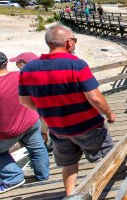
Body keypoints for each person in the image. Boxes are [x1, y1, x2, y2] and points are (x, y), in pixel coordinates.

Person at [18, 25, 116, 196]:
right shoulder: (76, 64)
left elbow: (24, 101)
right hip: (88, 126)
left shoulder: (28, 69)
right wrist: (109, 113)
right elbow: (94, 97)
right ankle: (112, 187)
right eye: (75, 41)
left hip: (58, 129)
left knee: (69, 164)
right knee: (106, 156)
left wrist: (47, 111)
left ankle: (70, 195)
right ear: (69, 43)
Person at [0, 52, 49, 194]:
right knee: (38, 147)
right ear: (5, 63)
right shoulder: (20, 76)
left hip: (8, 130)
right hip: (30, 122)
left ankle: (13, 177)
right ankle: (44, 177)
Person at [9, 53, 50, 145]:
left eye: (18, 63)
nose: (16, 66)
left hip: (38, 123)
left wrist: (43, 131)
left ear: (24, 63)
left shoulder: (29, 79)